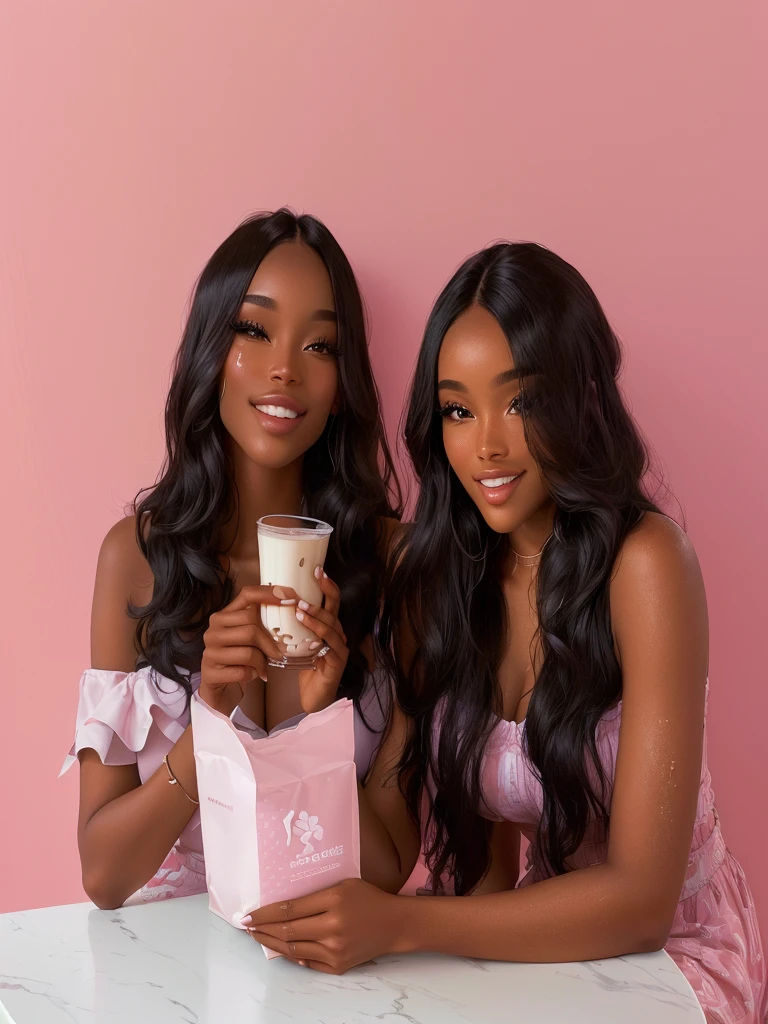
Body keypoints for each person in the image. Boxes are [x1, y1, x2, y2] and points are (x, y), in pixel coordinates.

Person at [247, 242, 767, 1024]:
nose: (485, 444)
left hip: (673, 962)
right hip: (535, 956)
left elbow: (641, 904)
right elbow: (444, 867)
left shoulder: (647, 566)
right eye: (459, 409)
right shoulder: (441, 582)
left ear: (578, 395)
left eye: (518, 402)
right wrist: (321, 716)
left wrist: (403, 929)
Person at [61, 209, 399, 910]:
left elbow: (388, 872)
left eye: (321, 346)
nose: (284, 368)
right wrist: (206, 719)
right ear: (211, 350)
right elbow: (104, 875)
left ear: (343, 386)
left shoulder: (392, 564)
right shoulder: (136, 559)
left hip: (324, 967)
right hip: (166, 976)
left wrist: (318, 721)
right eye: (255, 329)